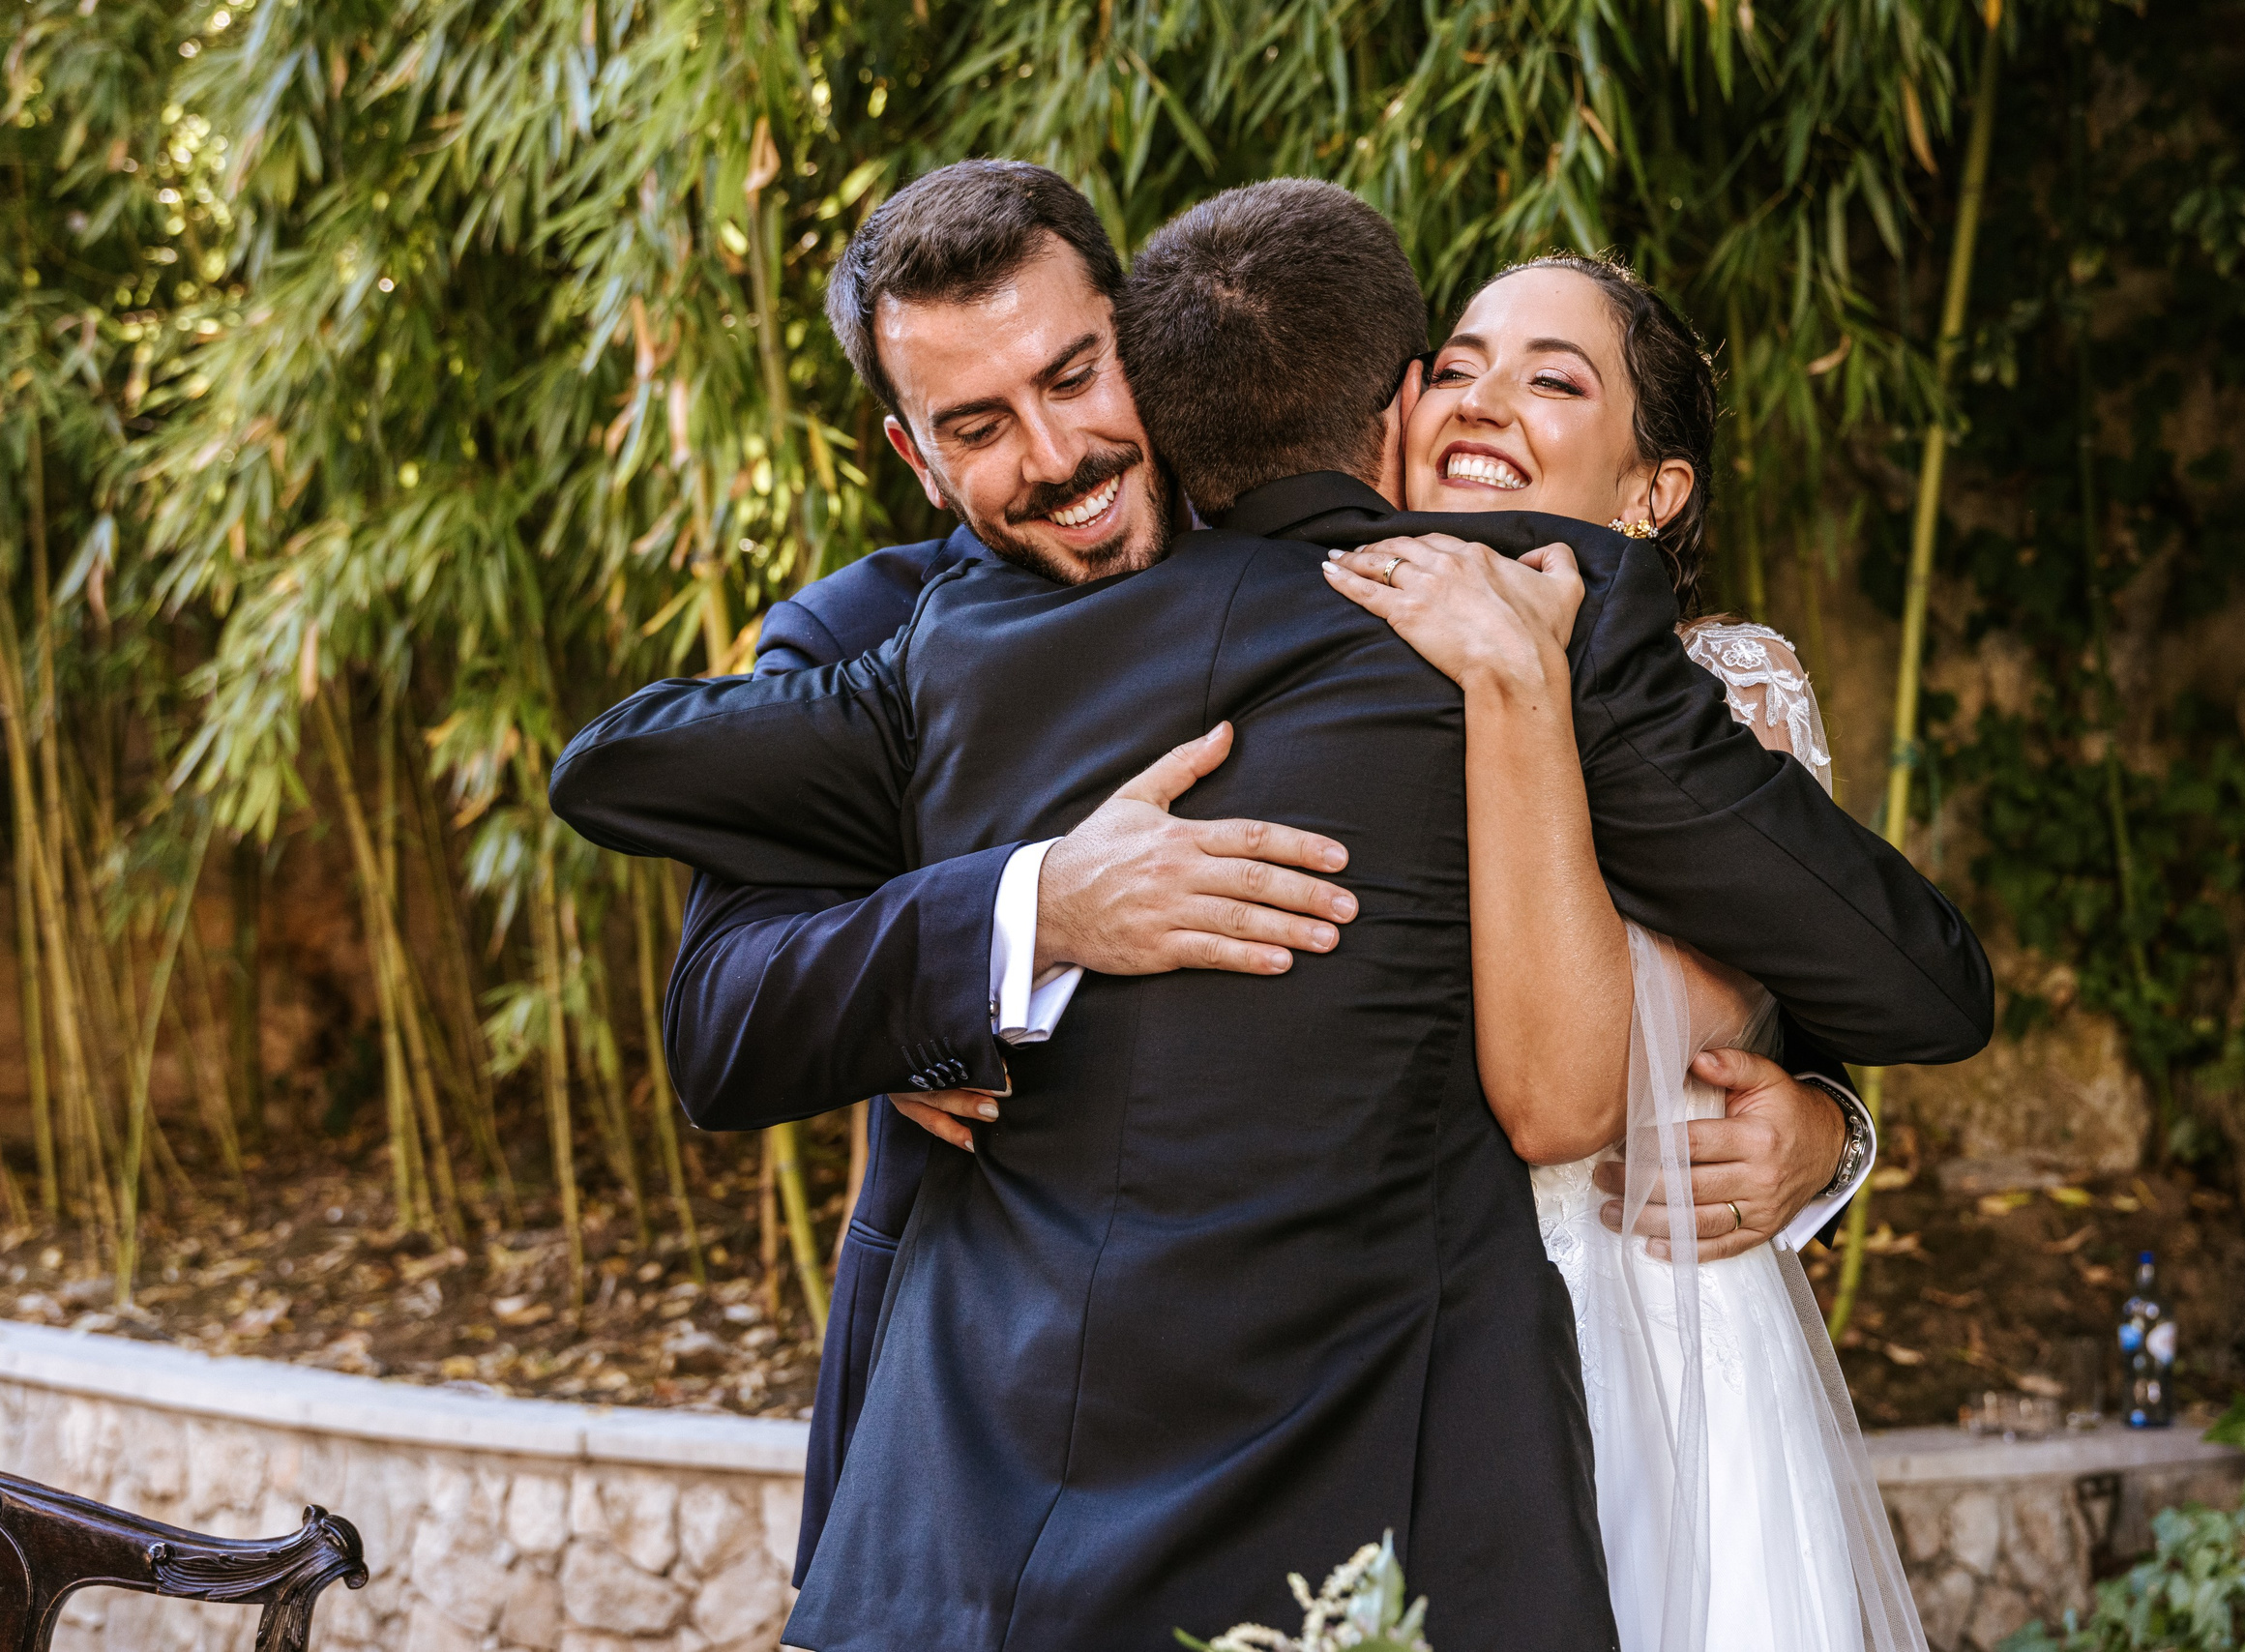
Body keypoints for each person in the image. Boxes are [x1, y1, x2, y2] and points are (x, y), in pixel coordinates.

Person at [551, 178, 1992, 1650]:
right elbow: (722, 1012)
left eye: (1071, 378)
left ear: (1144, 342)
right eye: (979, 428)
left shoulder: (1528, 612)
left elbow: (1809, 954)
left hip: (1436, 1440)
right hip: (988, 1471)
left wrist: (1820, 1119)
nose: (1055, 457)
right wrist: (1028, 912)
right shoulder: (896, 630)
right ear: (913, 455)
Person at [1322, 254, 1927, 1648]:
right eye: (1459, 366)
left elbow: (1632, 1063)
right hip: (1370, 1340)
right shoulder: (1300, 642)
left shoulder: (1723, 692)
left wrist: (1827, 1132)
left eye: (1553, 378)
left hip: (1644, 1337)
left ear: (1653, 492)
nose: (1484, 401)